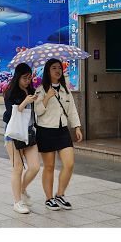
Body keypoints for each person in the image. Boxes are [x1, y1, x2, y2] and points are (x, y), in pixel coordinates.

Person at [34, 58, 83, 211]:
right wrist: (47, 97)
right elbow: (38, 112)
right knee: (49, 167)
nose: (57, 70)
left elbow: (72, 109)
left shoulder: (65, 89)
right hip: (46, 130)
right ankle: (49, 199)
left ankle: (60, 194)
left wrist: (77, 127)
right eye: (54, 68)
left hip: (62, 131)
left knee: (69, 164)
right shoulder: (40, 90)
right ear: (48, 71)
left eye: (59, 68)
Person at [2, 63, 41, 214]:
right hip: (13, 133)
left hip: (29, 133)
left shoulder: (31, 90)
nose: (27, 81)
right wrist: (26, 101)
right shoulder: (9, 92)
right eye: (24, 78)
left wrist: (37, 100)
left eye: (29, 78)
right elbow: (13, 113)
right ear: (17, 77)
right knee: (17, 168)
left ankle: (23, 189)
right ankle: (17, 202)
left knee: (35, 166)